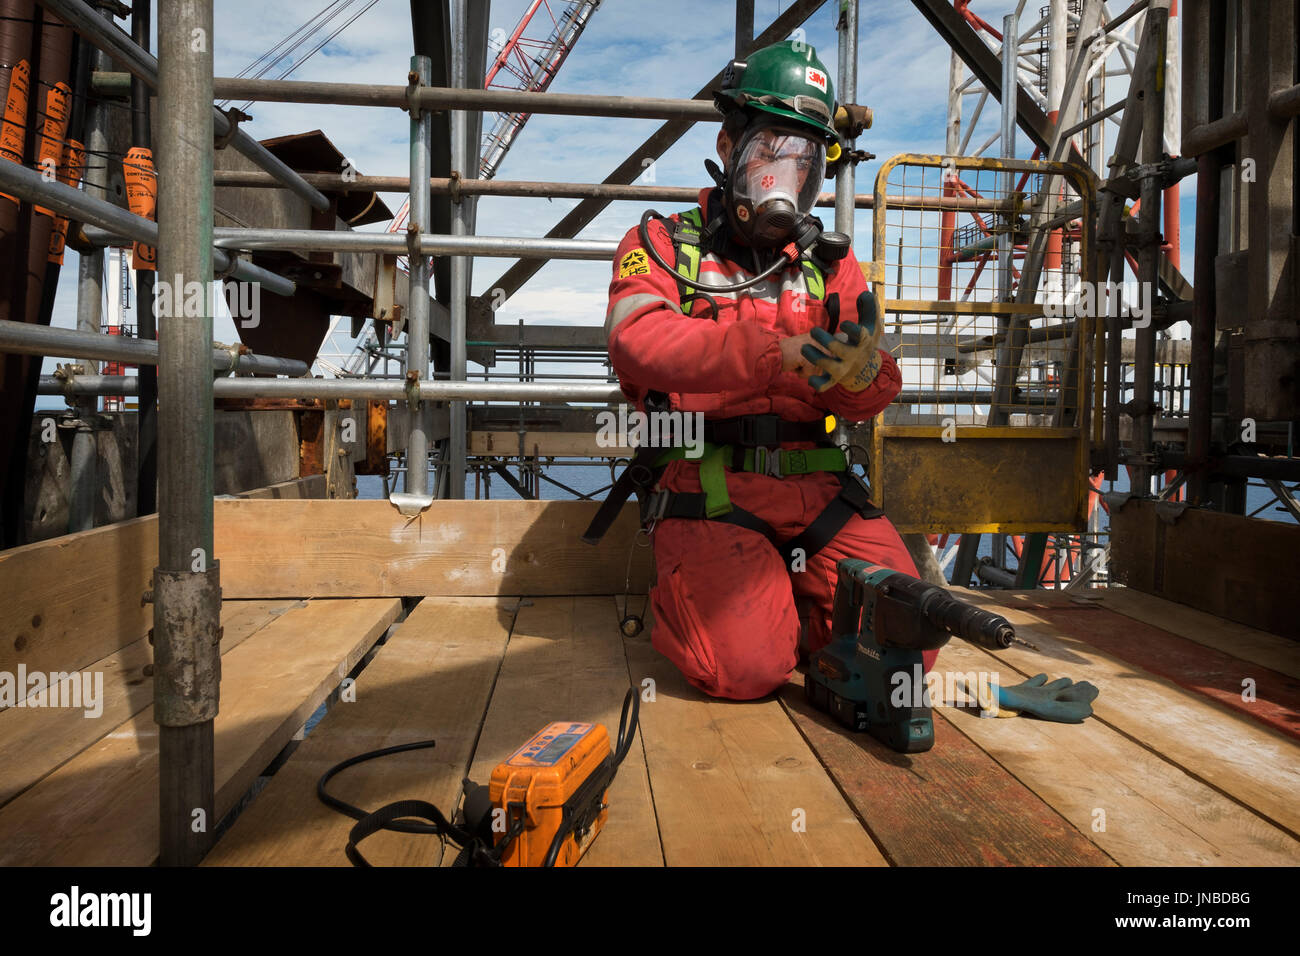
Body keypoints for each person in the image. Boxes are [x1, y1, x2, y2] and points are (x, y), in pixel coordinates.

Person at [600, 40, 938, 700]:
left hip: (821, 489)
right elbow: (636, 341)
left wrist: (861, 372)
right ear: (730, 148)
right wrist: (771, 353)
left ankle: (789, 603)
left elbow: (874, 385)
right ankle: (740, 605)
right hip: (712, 486)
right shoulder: (664, 244)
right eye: (769, 149)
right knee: (747, 671)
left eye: (803, 158)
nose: (783, 174)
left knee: (906, 652)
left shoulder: (829, 264)